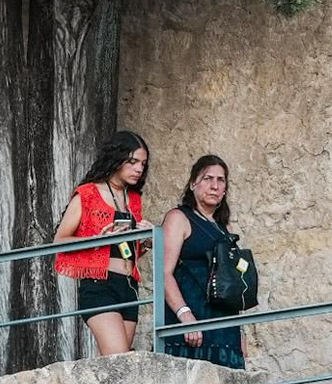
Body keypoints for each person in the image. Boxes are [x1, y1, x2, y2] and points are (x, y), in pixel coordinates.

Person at [52, 131, 154, 355]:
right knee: (119, 359)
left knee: (115, 366)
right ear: (115, 159)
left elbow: (128, 252)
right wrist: (97, 240)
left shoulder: (133, 199)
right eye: (133, 162)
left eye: (143, 164)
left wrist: (145, 241)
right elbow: (59, 241)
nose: (139, 169)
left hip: (129, 288)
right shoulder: (88, 194)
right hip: (100, 285)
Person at [158, 154, 246, 370]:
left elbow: (232, 286)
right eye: (207, 178)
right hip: (191, 322)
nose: (214, 186)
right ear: (192, 184)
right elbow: (164, 273)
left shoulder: (225, 229)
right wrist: (185, 315)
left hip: (225, 329)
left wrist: (240, 332)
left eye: (220, 180)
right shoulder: (179, 218)